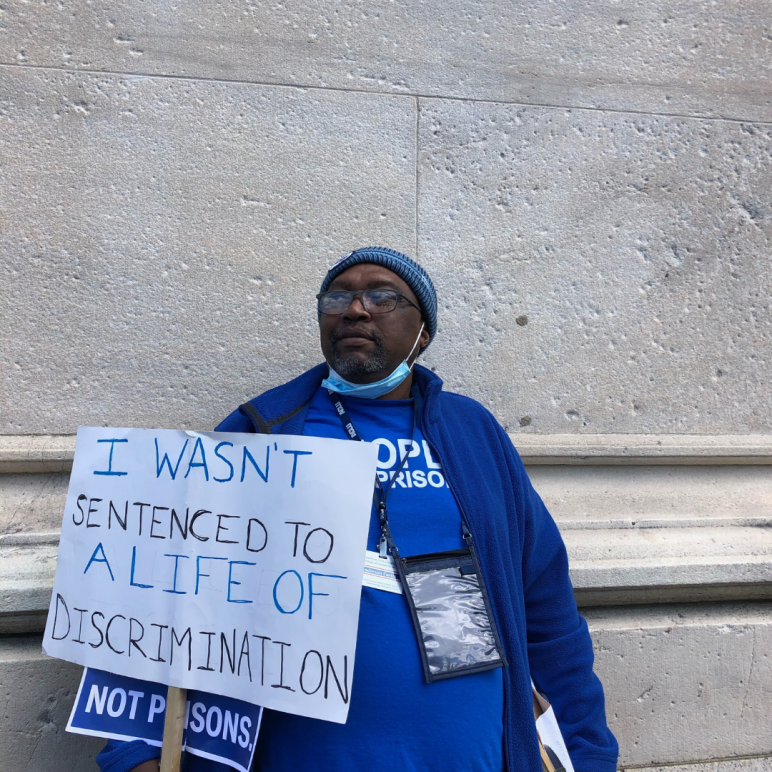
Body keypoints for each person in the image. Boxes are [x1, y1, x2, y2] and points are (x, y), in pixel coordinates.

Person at [97, 246, 618, 772]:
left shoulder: (473, 434)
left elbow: (546, 607)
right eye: (338, 297)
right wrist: (136, 751)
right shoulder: (264, 431)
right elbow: (170, 587)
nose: (355, 309)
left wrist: (588, 751)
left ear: (424, 332)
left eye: (382, 296)